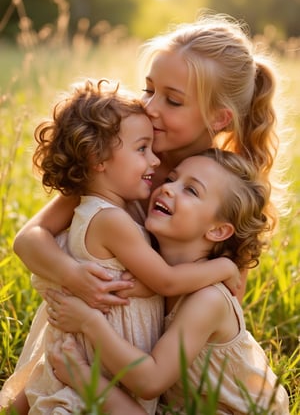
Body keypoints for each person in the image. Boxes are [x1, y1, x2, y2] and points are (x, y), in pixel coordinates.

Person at [1, 12, 285, 410]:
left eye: (172, 100)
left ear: (218, 117)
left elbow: (198, 300)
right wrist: (75, 275)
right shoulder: (118, 162)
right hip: (92, 321)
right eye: (148, 89)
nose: (150, 107)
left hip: (148, 349)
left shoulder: (220, 191)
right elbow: (28, 239)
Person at [0, 79, 239, 415]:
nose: (154, 161)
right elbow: (165, 282)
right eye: (142, 149)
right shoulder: (112, 218)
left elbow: (135, 284)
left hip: (105, 344)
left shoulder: (109, 202)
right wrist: (224, 268)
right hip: (103, 349)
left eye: (172, 97)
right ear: (99, 159)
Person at [46, 149, 290, 415]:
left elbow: (150, 381)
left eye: (192, 191)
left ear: (218, 230)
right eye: (171, 179)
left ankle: (82, 380)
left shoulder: (208, 299)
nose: (169, 189)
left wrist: (88, 323)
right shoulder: (157, 274)